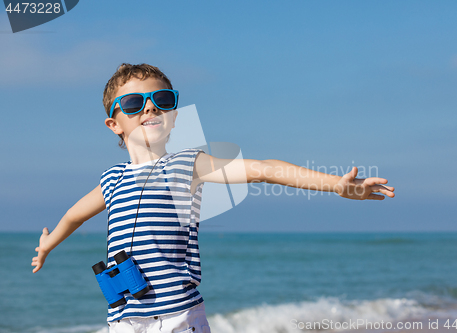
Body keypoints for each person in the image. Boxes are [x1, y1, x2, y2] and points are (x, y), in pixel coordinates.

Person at [31, 63, 395, 333]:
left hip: (178, 317)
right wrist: (48, 243)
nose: (150, 108)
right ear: (114, 123)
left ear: (173, 116)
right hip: (125, 319)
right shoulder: (112, 180)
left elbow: (263, 169)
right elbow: (74, 216)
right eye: (133, 103)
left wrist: (336, 184)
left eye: (161, 100)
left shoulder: (189, 165)